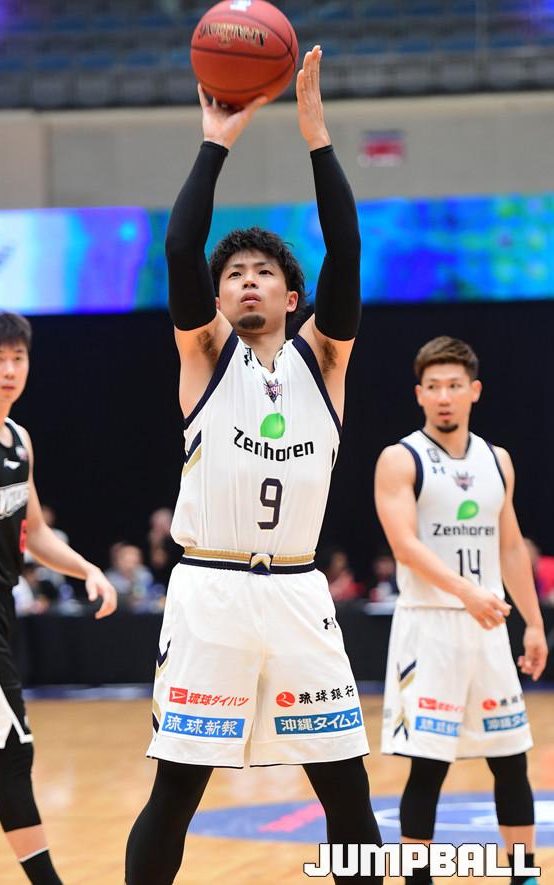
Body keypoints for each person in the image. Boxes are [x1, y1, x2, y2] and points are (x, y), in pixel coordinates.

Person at [125, 47, 381, 885]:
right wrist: (216, 141)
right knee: (176, 790)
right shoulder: (205, 357)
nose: (244, 282)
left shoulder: (325, 361)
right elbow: (179, 245)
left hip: (300, 590)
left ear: (291, 297)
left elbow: (347, 247)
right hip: (212, 590)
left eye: (262, 273)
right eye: (232, 274)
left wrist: (317, 137)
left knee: (346, 788)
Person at [375, 336, 548, 885]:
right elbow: (405, 546)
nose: (444, 396)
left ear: (474, 390)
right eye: (434, 387)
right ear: (419, 394)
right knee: (428, 766)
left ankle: (522, 874)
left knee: (511, 758)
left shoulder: (498, 460)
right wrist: (465, 593)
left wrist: (535, 623)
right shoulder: (400, 458)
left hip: (489, 624)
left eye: (454, 385)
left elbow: (511, 545)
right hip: (430, 626)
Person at [0, 310, 117, 885]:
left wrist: (87, 570)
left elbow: (36, 534)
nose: (9, 369)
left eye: (18, 358)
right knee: (12, 747)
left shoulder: (20, 440)